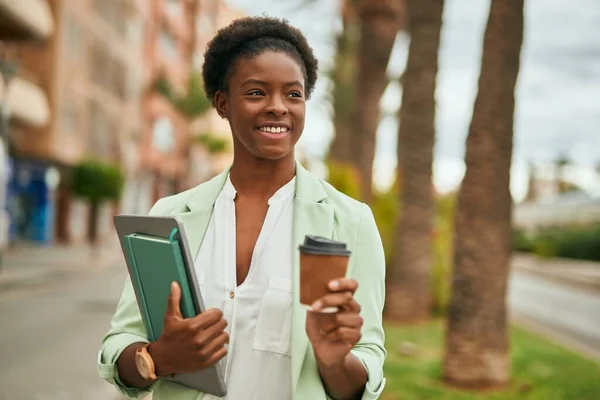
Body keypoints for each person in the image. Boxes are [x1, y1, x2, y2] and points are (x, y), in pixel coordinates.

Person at [98, 16, 386, 400]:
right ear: (223, 104)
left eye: (293, 94)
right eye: (255, 93)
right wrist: (157, 358)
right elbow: (120, 344)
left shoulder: (349, 221)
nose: (278, 107)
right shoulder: (168, 215)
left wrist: (333, 361)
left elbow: (366, 363)